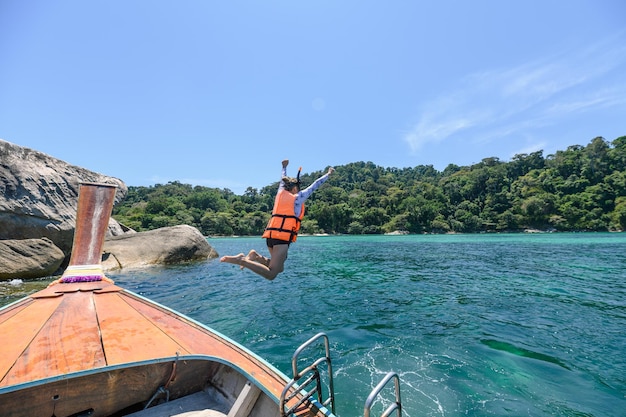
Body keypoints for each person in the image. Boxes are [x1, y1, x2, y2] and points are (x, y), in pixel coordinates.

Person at [221, 159, 334, 280]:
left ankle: (256, 256)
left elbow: (282, 178)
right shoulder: (298, 198)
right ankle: (241, 260)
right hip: (281, 239)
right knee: (272, 274)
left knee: (280, 268)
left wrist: (284, 167)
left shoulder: (280, 192)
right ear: (295, 188)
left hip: (271, 236)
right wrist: (328, 174)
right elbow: (315, 185)